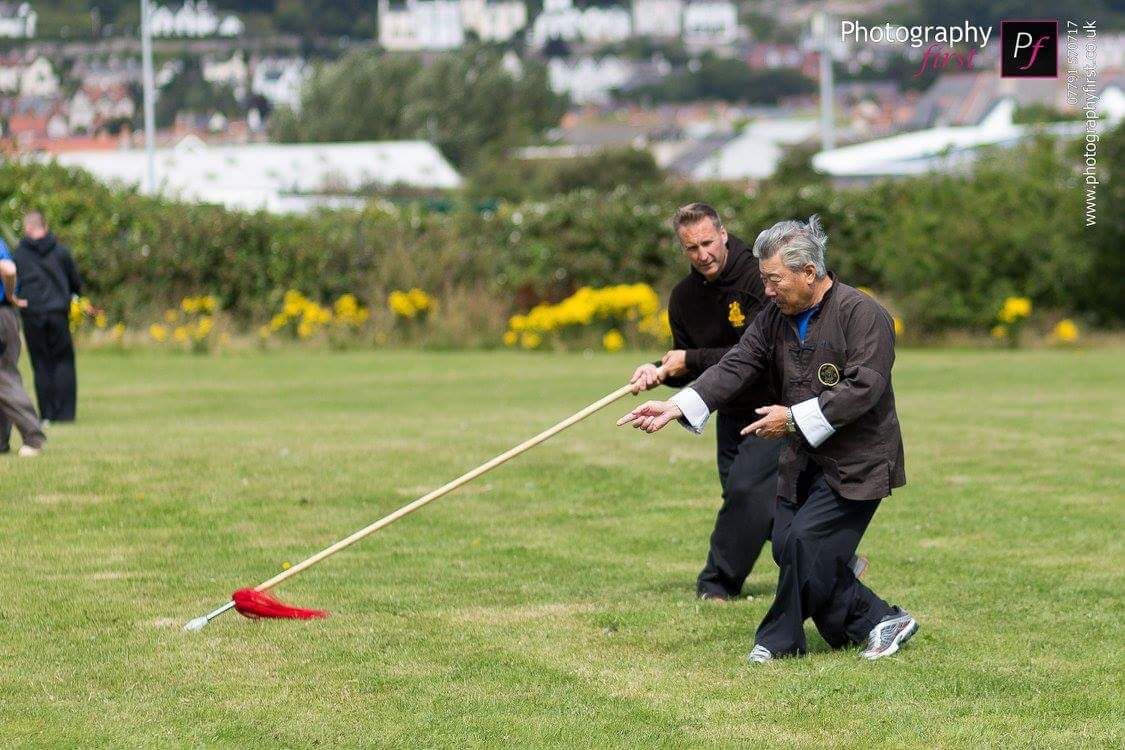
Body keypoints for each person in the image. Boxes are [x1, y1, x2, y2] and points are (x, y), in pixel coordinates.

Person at [618, 216, 917, 662]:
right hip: (802, 460)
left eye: (775, 280)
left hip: (858, 462)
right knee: (787, 548)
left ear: (809, 273)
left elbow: (863, 388)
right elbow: (738, 364)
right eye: (764, 280)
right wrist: (677, 405)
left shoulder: (863, 315)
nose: (769, 292)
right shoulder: (775, 317)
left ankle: (776, 642)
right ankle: (878, 621)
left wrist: (793, 420)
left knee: (803, 545)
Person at [628, 204, 783, 601]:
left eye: (708, 243)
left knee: (748, 493)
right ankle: (832, 565)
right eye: (691, 248)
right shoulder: (683, 298)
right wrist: (658, 371)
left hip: (775, 406)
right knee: (750, 499)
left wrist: (690, 360)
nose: (702, 255)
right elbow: (687, 363)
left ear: (724, 234)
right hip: (726, 410)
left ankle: (717, 583)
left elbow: (759, 355)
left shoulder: (759, 280)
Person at [13, 211, 81, 423]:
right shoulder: (60, 252)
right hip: (58, 312)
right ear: (46, 226)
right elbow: (75, 282)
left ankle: (47, 414)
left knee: (41, 363)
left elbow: (14, 282)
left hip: (32, 312)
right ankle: (65, 414)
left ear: (27, 228)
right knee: (63, 361)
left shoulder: (20, 254)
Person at [0, 238, 46, 456]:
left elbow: (8, 270)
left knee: (4, 378)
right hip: (6, 315)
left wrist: (9, 295)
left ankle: (33, 436)